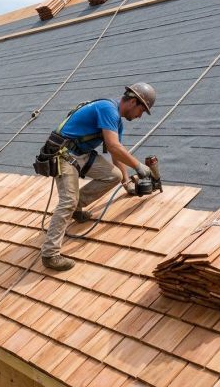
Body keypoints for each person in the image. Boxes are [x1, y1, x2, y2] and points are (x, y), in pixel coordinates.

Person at [41, 83, 157, 271]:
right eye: (141, 111)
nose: (139, 116)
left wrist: (126, 182)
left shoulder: (116, 120)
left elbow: (116, 153)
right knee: (68, 201)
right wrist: (138, 166)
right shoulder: (107, 109)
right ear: (133, 102)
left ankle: (77, 208)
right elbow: (113, 146)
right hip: (63, 154)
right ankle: (50, 254)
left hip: (80, 154)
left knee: (113, 175)